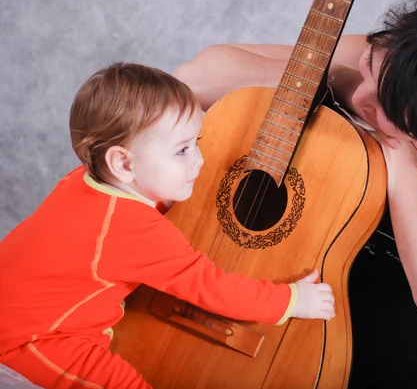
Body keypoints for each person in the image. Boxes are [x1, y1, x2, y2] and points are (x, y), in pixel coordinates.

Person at [172, 0, 417, 389]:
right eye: (370, 70)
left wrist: (397, 157)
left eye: (386, 108)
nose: (361, 99)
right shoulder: (395, 51)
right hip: (283, 316)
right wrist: (330, 79)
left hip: (392, 354)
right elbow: (193, 77)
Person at [0, 62, 335, 389]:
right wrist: (290, 300)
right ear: (123, 164)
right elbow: (212, 287)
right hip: (32, 337)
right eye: (182, 151)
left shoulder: (82, 181)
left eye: (197, 141)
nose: (199, 159)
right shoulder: (135, 232)